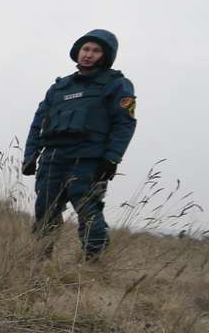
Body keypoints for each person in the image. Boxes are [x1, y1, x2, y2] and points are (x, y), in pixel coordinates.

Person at [21, 29, 137, 260]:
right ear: (77, 52)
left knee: (88, 210)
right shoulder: (59, 88)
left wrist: (111, 158)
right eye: (85, 49)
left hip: (88, 160)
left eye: (96, 50)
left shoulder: (117, 85)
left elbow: (124, 123)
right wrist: (30, 156)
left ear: (106, 55)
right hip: (52, 158)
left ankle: (93, 262)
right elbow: (38, 123)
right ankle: (40, 260)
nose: (89, 54)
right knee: (45, 209)